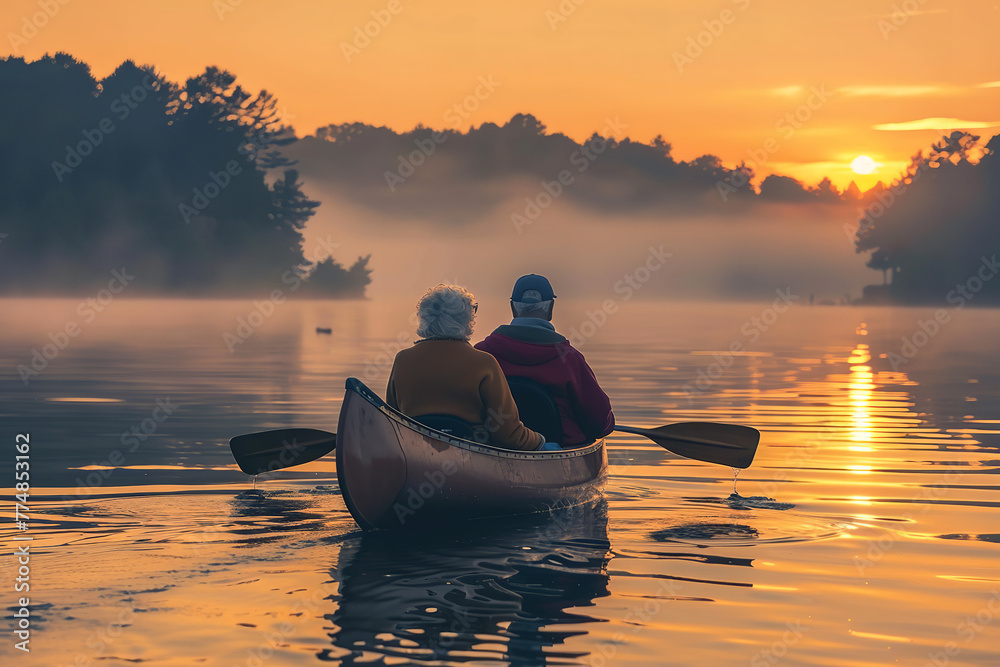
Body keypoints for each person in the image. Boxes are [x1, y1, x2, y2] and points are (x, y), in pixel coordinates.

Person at [385, 284, 548, 451]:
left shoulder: (402, 360)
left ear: (424, 318)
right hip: (472, 458)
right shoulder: (484, 363)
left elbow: (392, 421)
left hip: (416, 453)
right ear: (466, 319)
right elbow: (508, 434)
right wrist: (541, 441)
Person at [475, 274, 615, 447]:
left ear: (513, 307)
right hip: (560, 451)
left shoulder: (481, 354)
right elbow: (600, 424)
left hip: (495, 448)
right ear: (551, 308)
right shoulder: (570, 360)